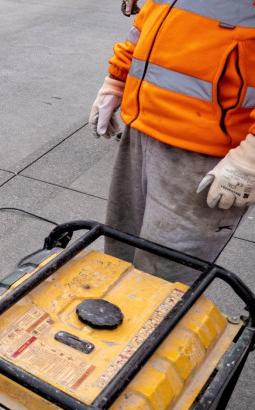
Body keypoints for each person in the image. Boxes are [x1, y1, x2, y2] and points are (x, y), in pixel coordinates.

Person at [89, 0, 255, 285]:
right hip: (142, 130)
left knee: (163, 279)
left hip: (205, 155)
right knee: (119, 253)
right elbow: (150, 22)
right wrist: (117, 79)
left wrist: (250, 158)